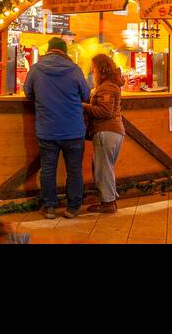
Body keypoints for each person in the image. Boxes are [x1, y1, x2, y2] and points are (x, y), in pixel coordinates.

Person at [24, 36, 91, 218]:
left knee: (48, 168)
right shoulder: (75, 70)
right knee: (74, 169)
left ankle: (50, 207)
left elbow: (28, 93)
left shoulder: (36, 69)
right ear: (64, 52)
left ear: (49, 50)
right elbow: (86, 95)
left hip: (48, 129)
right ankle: (73, 207)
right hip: (74, 129)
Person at [82, 53, 124, 214]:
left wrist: (84, 106)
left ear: (100, 69)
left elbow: (105, 111)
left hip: (107, 130)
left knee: (103, 168)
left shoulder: (107, 86)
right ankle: (109, 199)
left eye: (94, 69)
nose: (93, 73)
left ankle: (108, 203)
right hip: (113, 131)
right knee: (105, 167)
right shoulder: (111, 85)